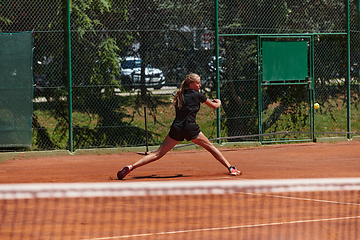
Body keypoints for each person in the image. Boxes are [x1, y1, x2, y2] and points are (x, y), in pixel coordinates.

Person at [117, 73, 241, 180]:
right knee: (211, 147)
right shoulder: (198, 95)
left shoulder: (180, 95)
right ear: (191, 84)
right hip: (190, 128)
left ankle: (131, 167)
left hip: (176, 128)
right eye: (198, 83)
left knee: (157, 154)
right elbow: (214, 106)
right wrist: (218, 101)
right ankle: (231, 168)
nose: (200, 85)